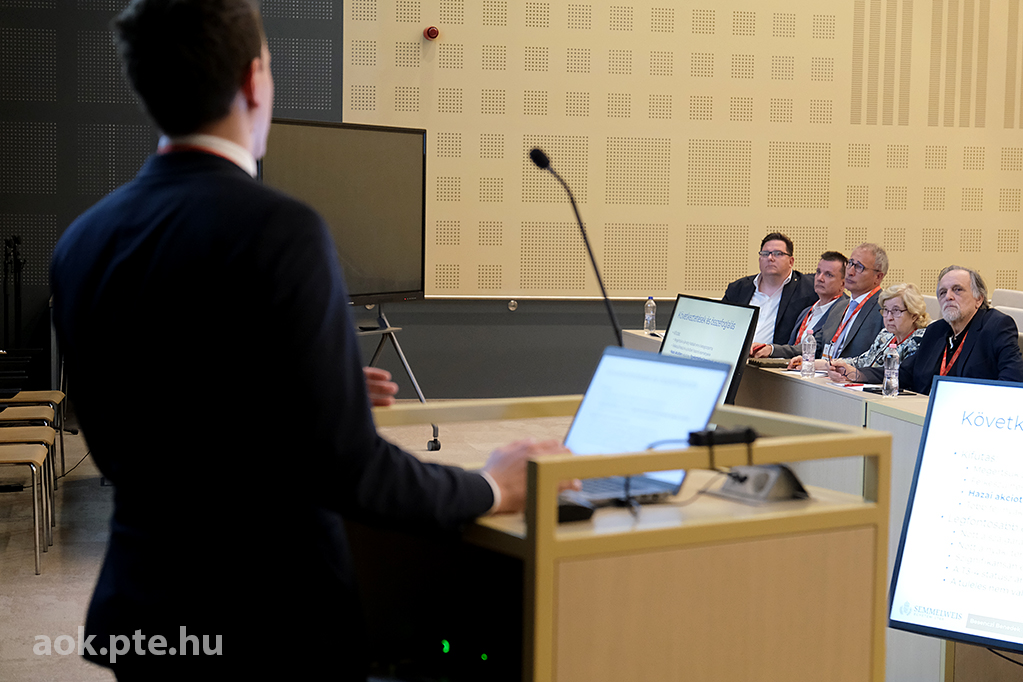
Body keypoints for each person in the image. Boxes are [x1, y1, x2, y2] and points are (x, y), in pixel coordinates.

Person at [49, 1, 570, 679]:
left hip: (143, 610)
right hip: (265, 624)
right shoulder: (279, 229)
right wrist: (490, 486)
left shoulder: (83, 239)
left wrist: (307, 392)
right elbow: (350, 471)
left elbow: (157, 423)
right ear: (254, 80)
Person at [829, 266, 1023, 394]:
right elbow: (904, 373)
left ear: (979, 299)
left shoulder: (996, 326)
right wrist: (856, 374)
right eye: (942, 292)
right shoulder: (937, 331)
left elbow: (1012, 380)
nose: (948, 297)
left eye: (957, 290)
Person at [722, 232, 817, 345]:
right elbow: (721, 324)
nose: (770, 258)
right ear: (759, 259)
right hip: (737, 351)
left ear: (791, 261)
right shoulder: (738, 288)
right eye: (765, 254)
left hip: (775, 355)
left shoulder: (808, 289)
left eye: (778, 254)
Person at [751, 251, 849, 359]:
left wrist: (773, 350)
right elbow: (793, 347)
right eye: (818, 272)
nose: (820, 278)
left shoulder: (843, 312)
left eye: (828, 275)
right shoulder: (806, 311)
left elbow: (815, 347)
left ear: (843, 283)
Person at [820, 283, 929, 378]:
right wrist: (835, 364)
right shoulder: (885, 335)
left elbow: (902, 376)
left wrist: (857, 374)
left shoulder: (920, 340)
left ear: (913, 315)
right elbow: (864, 361)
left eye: (896, 311)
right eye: (886, 310)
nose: (889, 317)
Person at [820, 243, 887, 361]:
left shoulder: (884, 310)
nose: (850, 272)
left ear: (878, 277)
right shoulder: (839, 307)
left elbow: (881, 360)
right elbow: (818, 344)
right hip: (822, 370)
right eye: (850, 263)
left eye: (859, 267)